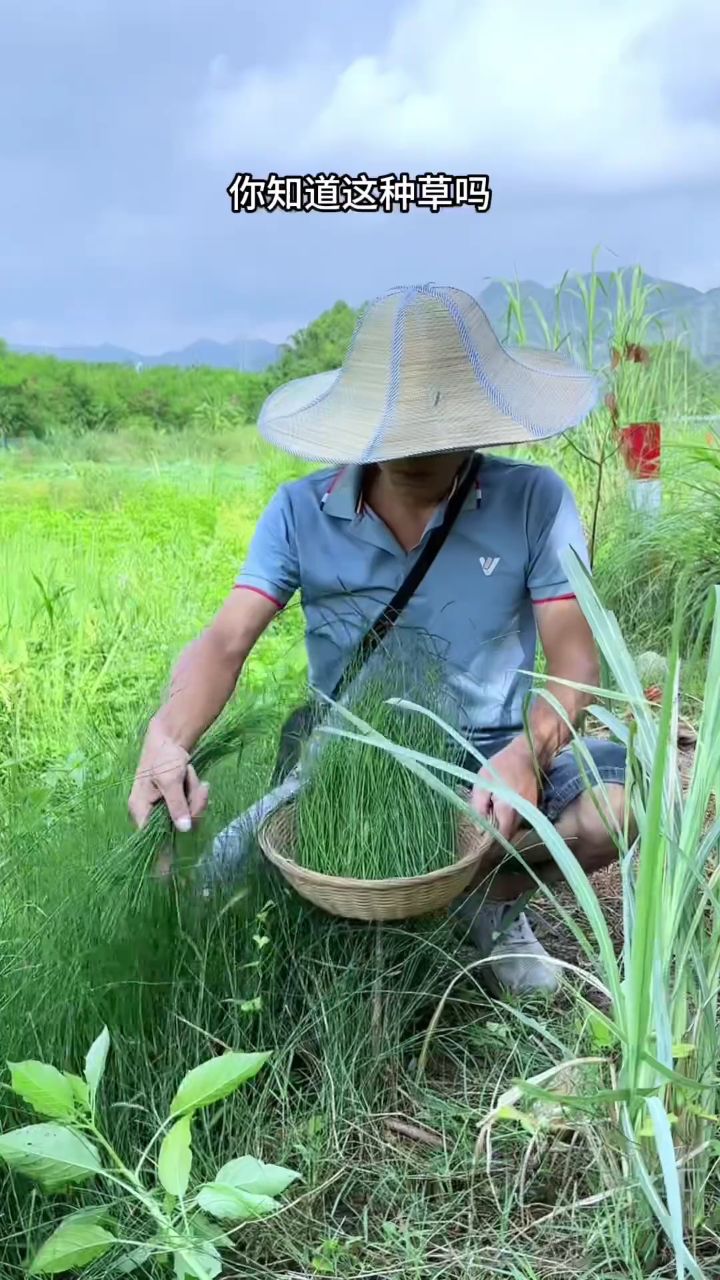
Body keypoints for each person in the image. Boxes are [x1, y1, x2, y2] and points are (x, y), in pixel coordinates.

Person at [129, 283, 627, 995]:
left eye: (437, 427)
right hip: (348, 747)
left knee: (617, 808)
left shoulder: (533, 501)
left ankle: (489, 903)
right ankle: (378, 906)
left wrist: (528, 752)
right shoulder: (301, 511)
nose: (416, 447)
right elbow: (226, 639)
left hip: (492, 743)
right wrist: (170, 733)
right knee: (226, 877)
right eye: (395, 428)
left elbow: (575, 657)